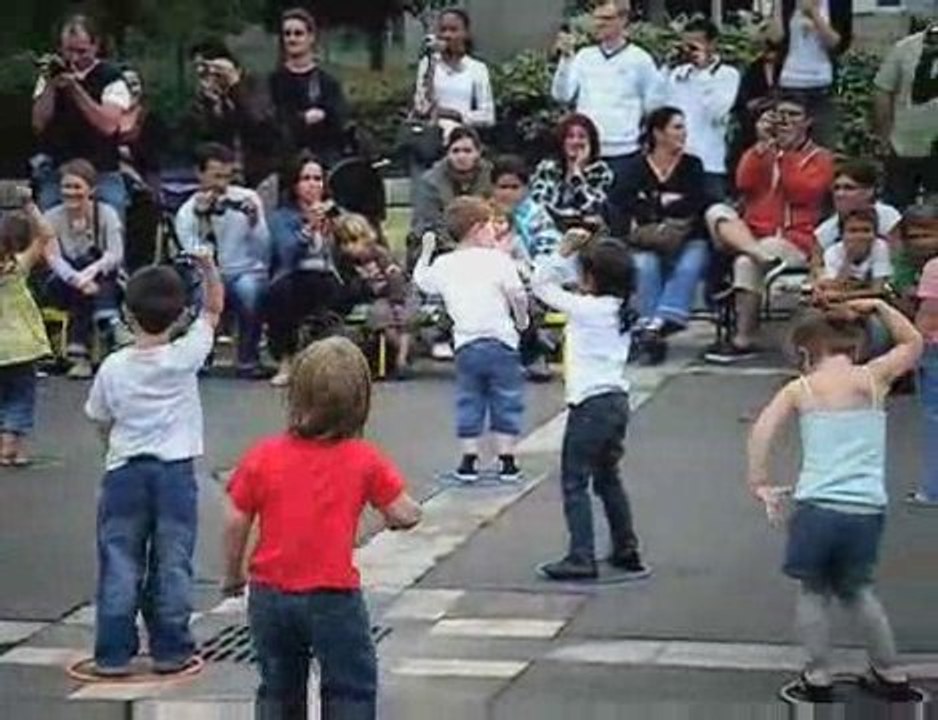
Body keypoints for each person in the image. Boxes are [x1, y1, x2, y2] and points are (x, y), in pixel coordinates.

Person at [222, 336, 422, 720]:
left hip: (269, 593)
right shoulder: (364, 459)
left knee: (278, 689)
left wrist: (234, 575)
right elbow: (403, 513)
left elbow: (235, 518)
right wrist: (407, 515)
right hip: (333, 595)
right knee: (350, 686)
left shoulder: (263, 455)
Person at [747, 301, 922, 702]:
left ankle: (818, 674)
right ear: (856, 348)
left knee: (813, 592)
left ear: (806, 353)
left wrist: (760, 481)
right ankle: (890, 671)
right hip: (866, 508)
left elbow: (762, 431)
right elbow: (912, 340)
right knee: (859, 590)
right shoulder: (875, 379)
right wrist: (879, 305)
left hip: (817, 507)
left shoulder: (801, 388)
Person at [84, 249, 224, 677]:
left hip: (125, 471)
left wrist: (113, 449)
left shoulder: (113, 367)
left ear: (127, 313)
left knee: (120, 560)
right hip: (175, 473)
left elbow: (100, 418)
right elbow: (215, 309)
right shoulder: (185, 356)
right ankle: (171, 648)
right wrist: (208, 267)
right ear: (180, 315)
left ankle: (112, 652)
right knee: (173, 560)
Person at [532, 234, 648, 581]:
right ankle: (626, 547)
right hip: (615, 400)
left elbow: (541, 284)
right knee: (607, 477)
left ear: (592, 278)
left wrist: (561, 251)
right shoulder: (621, 309)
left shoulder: (589, 309)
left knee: (574, 480)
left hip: (589, 404)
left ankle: (581, 555)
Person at [704, 95, 835, 363]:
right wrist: (761, 147)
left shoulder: (821, 158)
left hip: (794, 240)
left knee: (745, 261)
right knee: (716, 211)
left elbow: (802, 193)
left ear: (808, 121)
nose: (785, 121)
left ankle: (743, 338)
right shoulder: (763, 151)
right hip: (753, 236)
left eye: (793, 115)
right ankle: (760, 257)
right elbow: (744, 182)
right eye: (780, 115)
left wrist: (785, 155)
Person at [413, 197, 529, 482]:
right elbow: (517, 294)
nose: (495, 231)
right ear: (478, 228)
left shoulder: (445, 263)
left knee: (470, 397)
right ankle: (507, 459)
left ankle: (469, 458)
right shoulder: (499, 260)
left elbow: (421, 281)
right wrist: (522, 320)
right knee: (506, 397)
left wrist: (426, 250)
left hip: (466, 344)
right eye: (490, 225)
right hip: (502, 341)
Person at [615, 107, 710, 366]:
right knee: (645, 265)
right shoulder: (635, 167)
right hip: (646, 239)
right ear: (658, 133)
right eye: (677, 127)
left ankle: (657, 324)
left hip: (687, 237)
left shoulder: (692, 165)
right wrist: (664, 201)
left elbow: (697, 203)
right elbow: (623, 203)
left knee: (692, 262)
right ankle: (652, 328)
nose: (683, 132)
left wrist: (652, 203)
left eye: (683, 127)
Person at [175, 143, 270, 379]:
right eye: (216, 176)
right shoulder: (187, 212)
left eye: (227, 177)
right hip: (208, 273)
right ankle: (201, 356)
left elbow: (264, 249)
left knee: (250, 290)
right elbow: (193, 253)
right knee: (203, 291)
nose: (222, 184)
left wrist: (254, 222)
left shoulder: (247, 198)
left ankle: (248, 359)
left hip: (244, 271)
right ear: (200, 174)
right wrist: (202, 218)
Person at [551, 0, 660, 188]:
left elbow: (654, 107)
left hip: (624, 154)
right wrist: (566, 59)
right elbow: (562, 95)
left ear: (623, 20)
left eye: (607, 19)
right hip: (586, 153)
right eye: (597, 18)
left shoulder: (641, 60)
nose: (599, 24)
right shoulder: (584, 56)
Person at [31, 14, 132, 214]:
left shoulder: (112, 78)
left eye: (82, 51)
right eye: (69, 50)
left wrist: (75, 89)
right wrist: (51, 85)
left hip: (102, 171)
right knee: (48, 223)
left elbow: (108, 125)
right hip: (58, 169)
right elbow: (38, 123)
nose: (74, 58)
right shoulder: (50, 75)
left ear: (95, 47)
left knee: (112, 217)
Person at [39, 159, 125, 379]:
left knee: (96, 274)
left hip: (100, 280)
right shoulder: (50, 218)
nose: (71, 192)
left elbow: (114, 254)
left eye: (77, 187)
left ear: (91, 190)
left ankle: (80, 355)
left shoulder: (106, 214)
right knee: (81, 275)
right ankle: (109, 321)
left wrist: (88, 274)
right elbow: (53, 259)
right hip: (62, 281)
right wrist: (77, 278)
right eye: (66, 187)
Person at [266, 152, 345, 387]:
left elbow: (355, 247)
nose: (313, 185)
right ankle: (287, 359)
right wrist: (309, 228)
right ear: (295, 184)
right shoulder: (282, 217)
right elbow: (286, 253)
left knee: (327, 286)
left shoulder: (336, 214)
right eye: (306, 179)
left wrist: (336, 228)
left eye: (317, 179)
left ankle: (327, 363)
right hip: (294, 274)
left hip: (330, 275)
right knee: (284, 292)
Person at [491, 155, 563, 381]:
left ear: (526, 188)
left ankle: (532, 352)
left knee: (519, 295)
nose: (508, 193)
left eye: (515, 187)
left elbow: (548, 252)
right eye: (502, 187)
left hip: (530, 279)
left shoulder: (536, 215)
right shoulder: (483, 214)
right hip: (489, 279)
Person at [0, 193, 54, 467]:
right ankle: (11, 444)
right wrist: (30, 206)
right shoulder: (17, 270)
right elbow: (46, 235)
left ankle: (7, 446)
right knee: (21, 395)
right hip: (20, 347)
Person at [660, 16, 740, 200]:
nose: (689, 51)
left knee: (712, 217)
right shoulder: (678, 73)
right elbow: (659, 107)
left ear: (712, 44)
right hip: (676, 161)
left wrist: (704, 71)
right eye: (686, 45)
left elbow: (716, 112)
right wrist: (667, 68)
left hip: (709, 163)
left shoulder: (727, 75)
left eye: (695, 45)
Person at [407, 7, 495, 174]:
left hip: (462, 142)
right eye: (443, 30)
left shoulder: (477, 69)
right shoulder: (428, 64)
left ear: (465, 34)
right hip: (431, 141)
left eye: (453, 30)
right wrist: (431, 62)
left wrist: (456, 114)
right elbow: (421, 105)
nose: (447, 35)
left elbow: (488, 115)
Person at [333, 213, 420, 380]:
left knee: (404, 317)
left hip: (401, 293)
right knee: (379, 316)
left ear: (366, 238)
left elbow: (396, 277)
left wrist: (396, 301)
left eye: (354, 241)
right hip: (378, 298)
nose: (349, 248)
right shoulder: (345, 263)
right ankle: (402, 352)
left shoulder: (380, 254)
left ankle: (402, 360)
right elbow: (351, 287)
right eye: (344, 243)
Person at [184, 40, 277, 188]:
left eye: (207, 66)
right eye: (198, 68)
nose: (203, 73)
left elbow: (259, 123)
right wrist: (213, 105)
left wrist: (235, 86)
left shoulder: (254, 85)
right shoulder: (204, 98)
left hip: (260, 172)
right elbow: (202, 138)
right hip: (222, 175)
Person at [269, 8, 348, 167]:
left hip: (323, 161)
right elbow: (273, 123)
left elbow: (338, 122)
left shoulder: (327, 82)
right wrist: (303, 119)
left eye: (298, 33)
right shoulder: (273, 81)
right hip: (286, 161)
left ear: (311, 37)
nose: (292, 39)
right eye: (287, 34)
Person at [873, 20, 938, 209]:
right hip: (904, 145)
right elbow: (882, 90)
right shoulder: (904, 48)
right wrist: (885, 136)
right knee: (897, 209)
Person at [770, 0, 852, 148]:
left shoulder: (838, 4)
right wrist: (776, 8)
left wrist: (814, 14)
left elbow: (838, 45)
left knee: (823, 146)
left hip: (822, 85)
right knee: (786, 145)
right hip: (789, 83)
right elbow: (775, 39)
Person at [409, 126, 493, 268]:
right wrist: (459, 250)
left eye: (467, 151)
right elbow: (428, 224)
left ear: (478, 153)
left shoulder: (491, 175)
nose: (461, 156)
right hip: (440, 248)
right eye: (455, 151)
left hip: (485, 242)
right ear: (447, 153)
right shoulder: (430, 181)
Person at [530, 113, 614, 231]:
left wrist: (577, 173)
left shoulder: (601, 172)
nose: (576, 142)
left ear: (591, 142)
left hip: (586, 232)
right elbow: (540, 204)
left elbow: (593, 208)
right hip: (550, 228)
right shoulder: (547, 168)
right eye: (570, 136)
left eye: (582, 137)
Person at [813, 159, 902, 266]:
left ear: (869, 191)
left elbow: (899, 258)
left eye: (849, 188)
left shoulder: (888, 217)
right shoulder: (825, 231)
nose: (840, 194)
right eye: (836, 188)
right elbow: (816, 268)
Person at [815, 208, 892, 301]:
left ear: (875, 234)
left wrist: (844, 295)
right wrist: (849, 258)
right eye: (853, 231)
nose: (860, 236)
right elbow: (834, 288)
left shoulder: (880, 247)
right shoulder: (832, 252)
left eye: (866, 230)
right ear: (842, 234)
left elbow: (878, 290)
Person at [910, 256, 938, 505]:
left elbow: (930, 313)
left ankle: (933, 488)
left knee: (935, 418)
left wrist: (913, 349)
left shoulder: (934, 268)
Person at [732, 26, 783, 163]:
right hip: (755, 129)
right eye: (765, 48)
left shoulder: (788, 69)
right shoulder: (753, 69)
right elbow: (743, 102)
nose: (769, 53)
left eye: (773, 48)